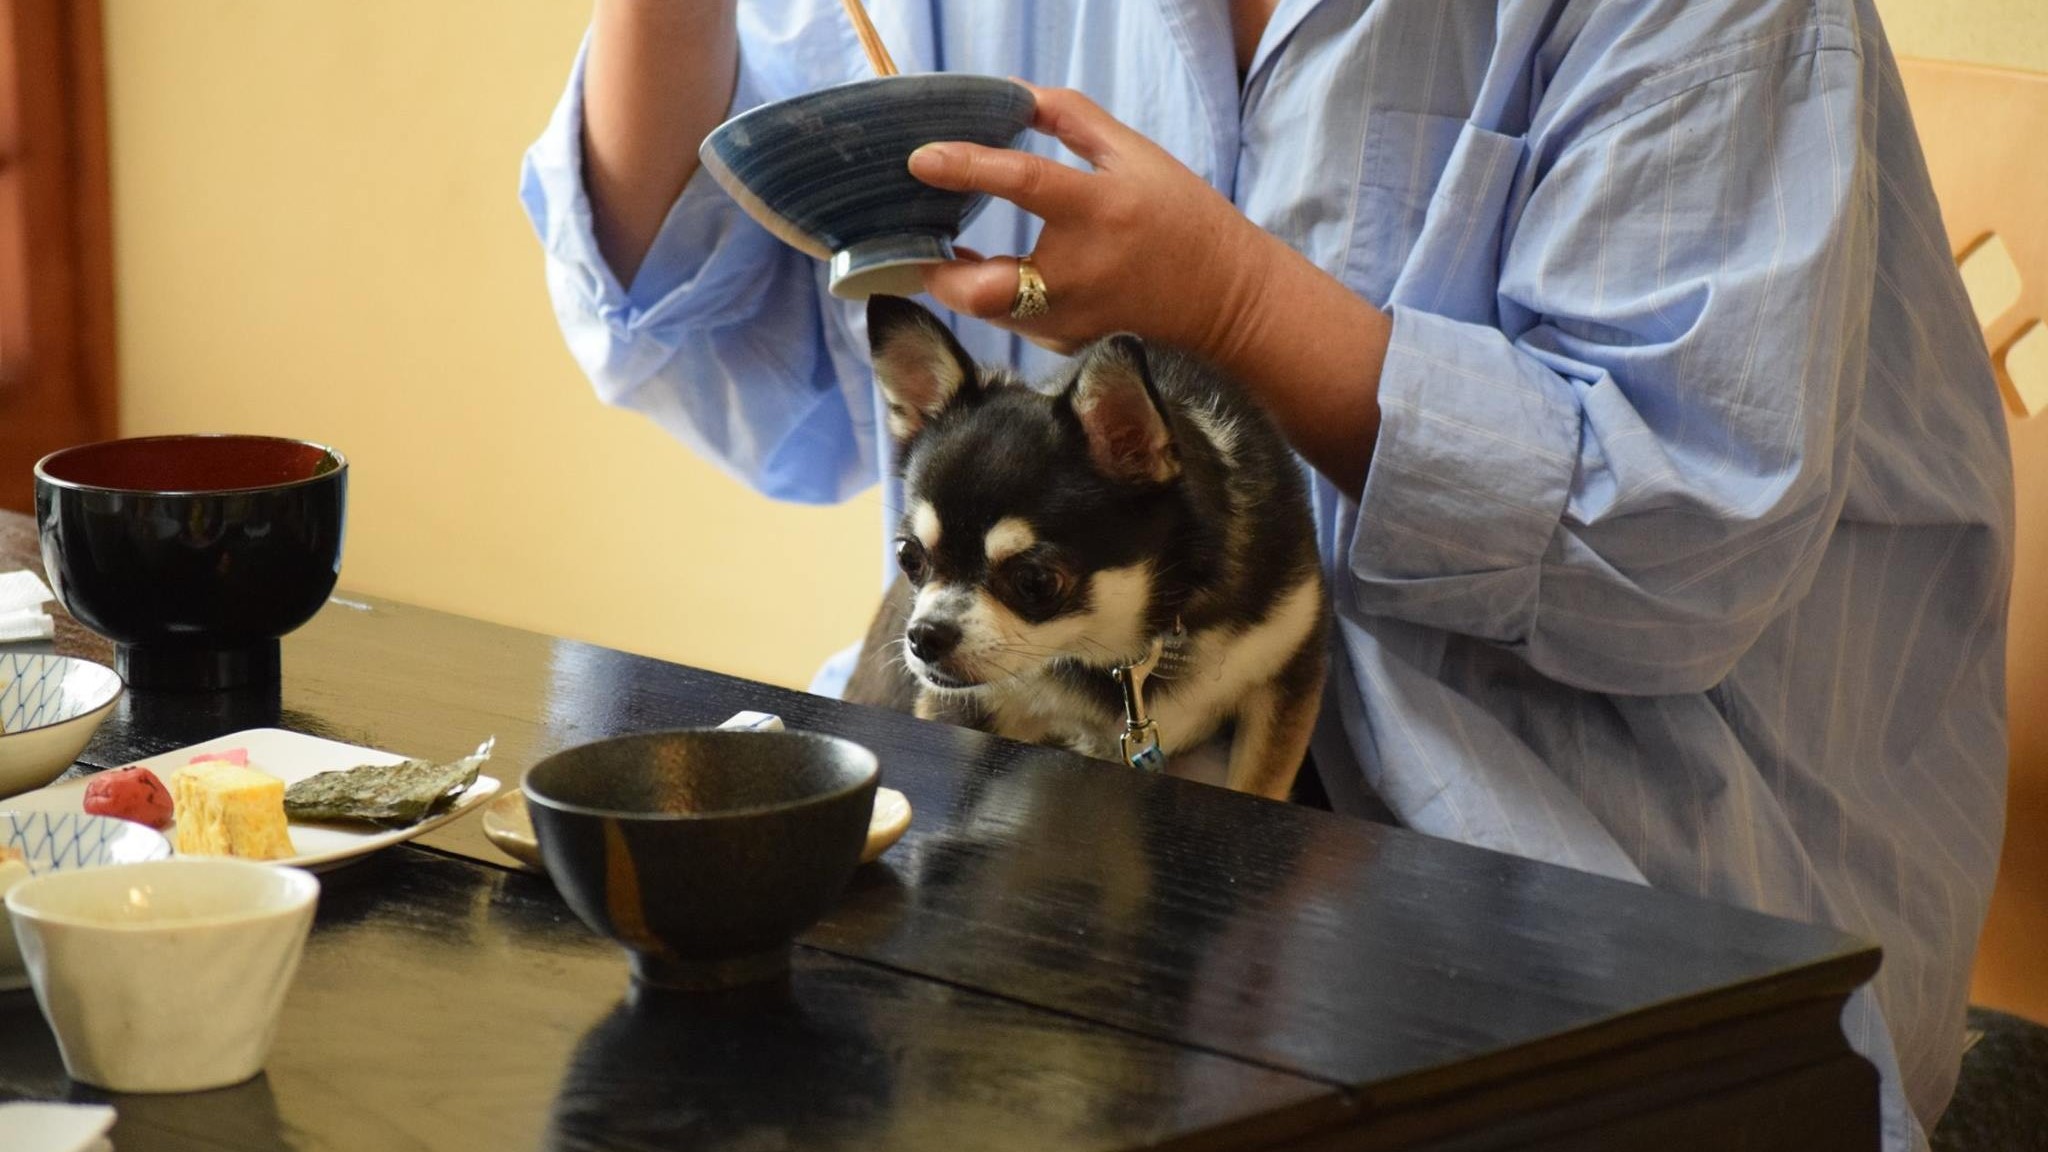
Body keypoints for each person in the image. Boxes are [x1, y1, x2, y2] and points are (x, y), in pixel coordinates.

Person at [520, 2, 2013, 1147]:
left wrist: (1234, 299)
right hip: (1075, 872)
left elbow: (1675, 557)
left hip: (1602, 902)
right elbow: (709, 327)